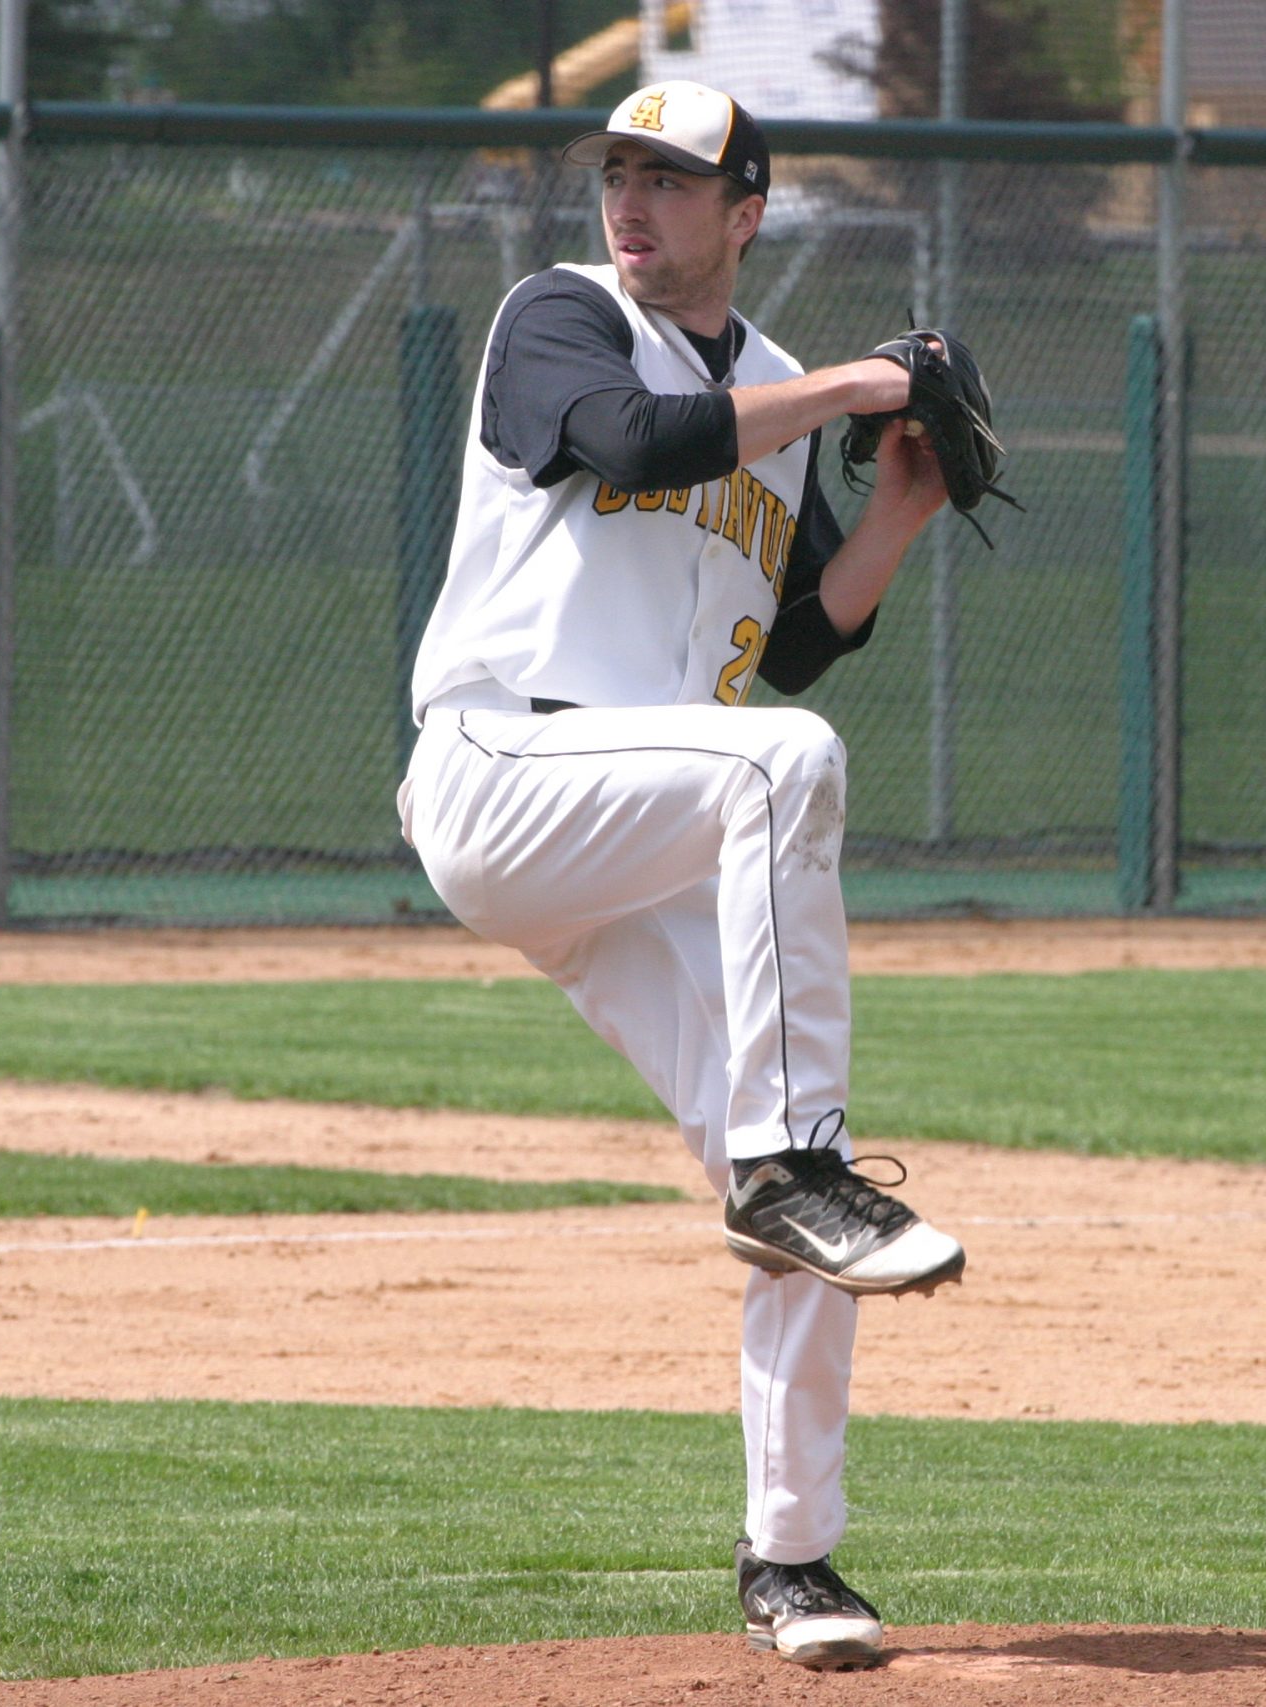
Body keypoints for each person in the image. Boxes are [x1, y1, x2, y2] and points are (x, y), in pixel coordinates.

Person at [394, 79, 966, 1671]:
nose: (632, 202)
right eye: (619, 172)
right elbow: (633, 443)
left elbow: (787, 640)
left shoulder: (778, 389)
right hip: (503, 768)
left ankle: (794, 1565)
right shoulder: (558, 315)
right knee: (781, 767)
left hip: (645, 819)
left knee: (807, 1155)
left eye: (671, 177)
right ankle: (788, 1177)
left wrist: (896, 515)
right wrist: (867, 380)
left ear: (749, 210)